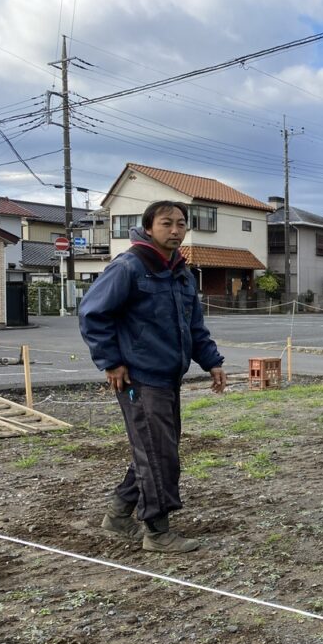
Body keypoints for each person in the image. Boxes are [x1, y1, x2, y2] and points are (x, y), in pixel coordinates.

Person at [79, 200, 228, 553]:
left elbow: (194, 327)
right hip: (139, 378)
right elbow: (92, 314)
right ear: (148, 228)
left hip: (167, 376)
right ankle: (157, 532)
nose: (175, 230)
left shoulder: (180, 272)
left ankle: (117, 515)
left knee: (156, 449)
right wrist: (111, 361)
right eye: (166, 223)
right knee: (159, 453)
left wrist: (213, 362)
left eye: (180, 224)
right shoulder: (130, 266)